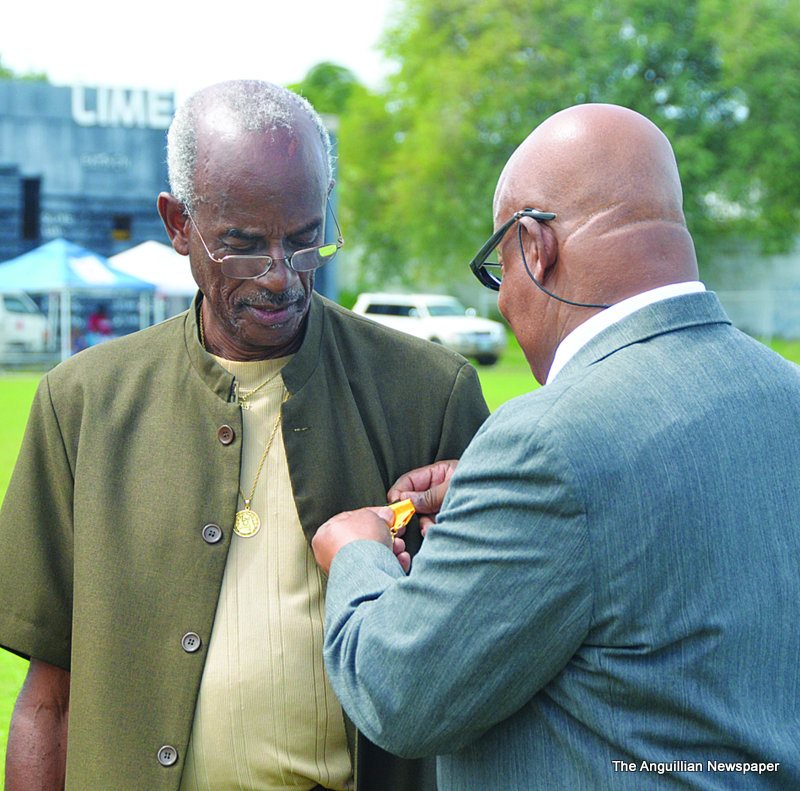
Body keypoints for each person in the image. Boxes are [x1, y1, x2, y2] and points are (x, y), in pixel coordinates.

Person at [0, 80, 489, 791]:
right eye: (241, 244)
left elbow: (488, 671)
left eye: (304, 239)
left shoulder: (428, 394)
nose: (280, 275)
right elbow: (49, 699)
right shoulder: (81, 404)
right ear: (176, 223)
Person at [312, 103, 800, 789]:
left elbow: (400, 694)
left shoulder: (549, 442)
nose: (504, 303)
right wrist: (494, 498)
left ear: (536, 247)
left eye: (498, 270)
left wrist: (356, 552)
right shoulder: (787, 393)